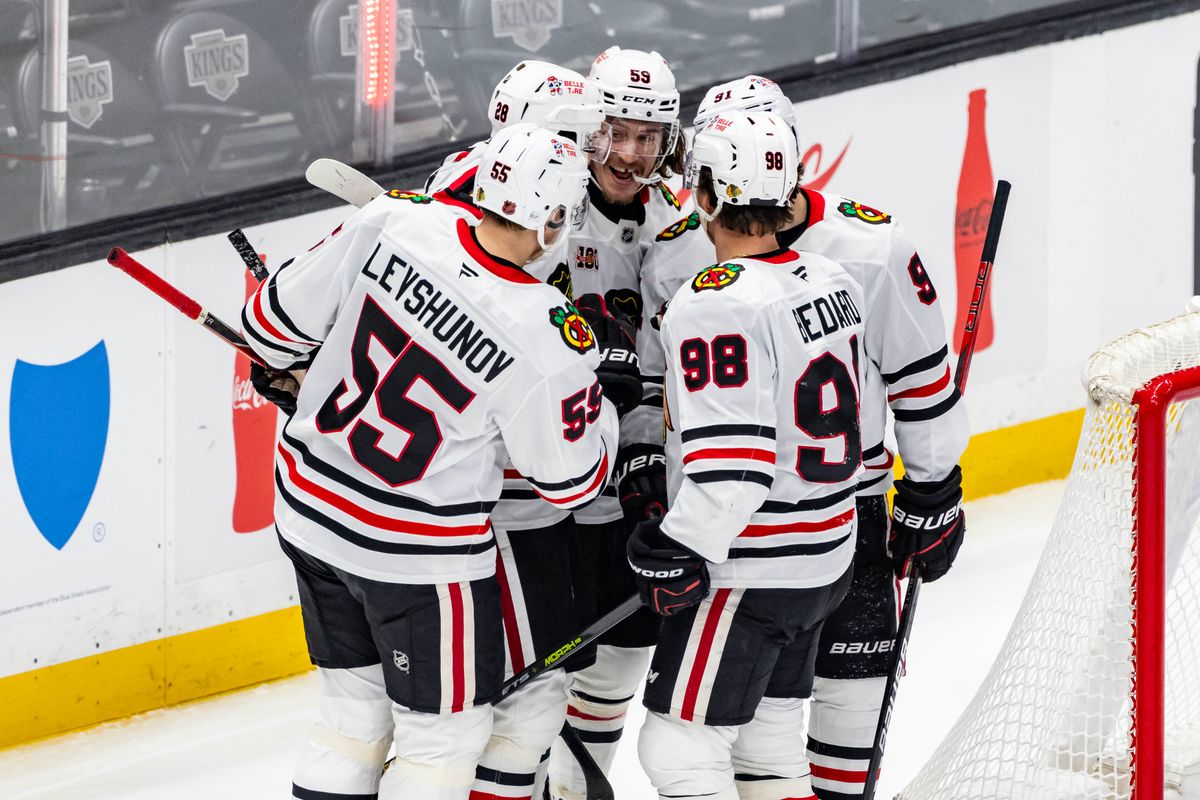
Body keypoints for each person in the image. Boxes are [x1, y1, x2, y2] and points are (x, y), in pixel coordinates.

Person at [241, 124, 619, 800]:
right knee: (442, 741)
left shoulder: (396, 218)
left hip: (310, 512)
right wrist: (600, 403)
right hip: (416, 556)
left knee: (350, 718)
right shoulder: (543, 328)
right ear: (553, 219)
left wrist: (319, 361)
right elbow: (570, 483)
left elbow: (269, 323)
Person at [640, 75, 970, 799]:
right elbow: (658, 388)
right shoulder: (812, 270)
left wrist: (932, 485)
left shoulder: (867, 246)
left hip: (780, 530)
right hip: (814, 527)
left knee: (827, 740)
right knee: (770, 743)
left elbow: (917, 376)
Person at [419, 59, 640, 800]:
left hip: (481, 490)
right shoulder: (498, 208)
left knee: (508, 701)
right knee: (528, 698)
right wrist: (590, 369)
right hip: (504, 497)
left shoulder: (471, 189)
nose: (593, 154)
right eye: (580, 136)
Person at [629, 108, 862, 800]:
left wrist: (678, 543)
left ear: (706, 193)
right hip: (828, 552)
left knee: (678, 745)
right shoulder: (829, 278)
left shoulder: (715, 302)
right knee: (766, 743)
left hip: (754, 564)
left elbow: (734, 468)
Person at [546, 45, 692, 800]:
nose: (631, 155)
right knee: (529, 681)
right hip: (537, 472)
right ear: (584, 129)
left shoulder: (679, 220)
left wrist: (643, 462)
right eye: (615, 134)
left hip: (622, 467)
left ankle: (579, 781)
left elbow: (673, 361)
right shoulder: (543, 194)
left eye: (647, 137)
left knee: (623, 647)